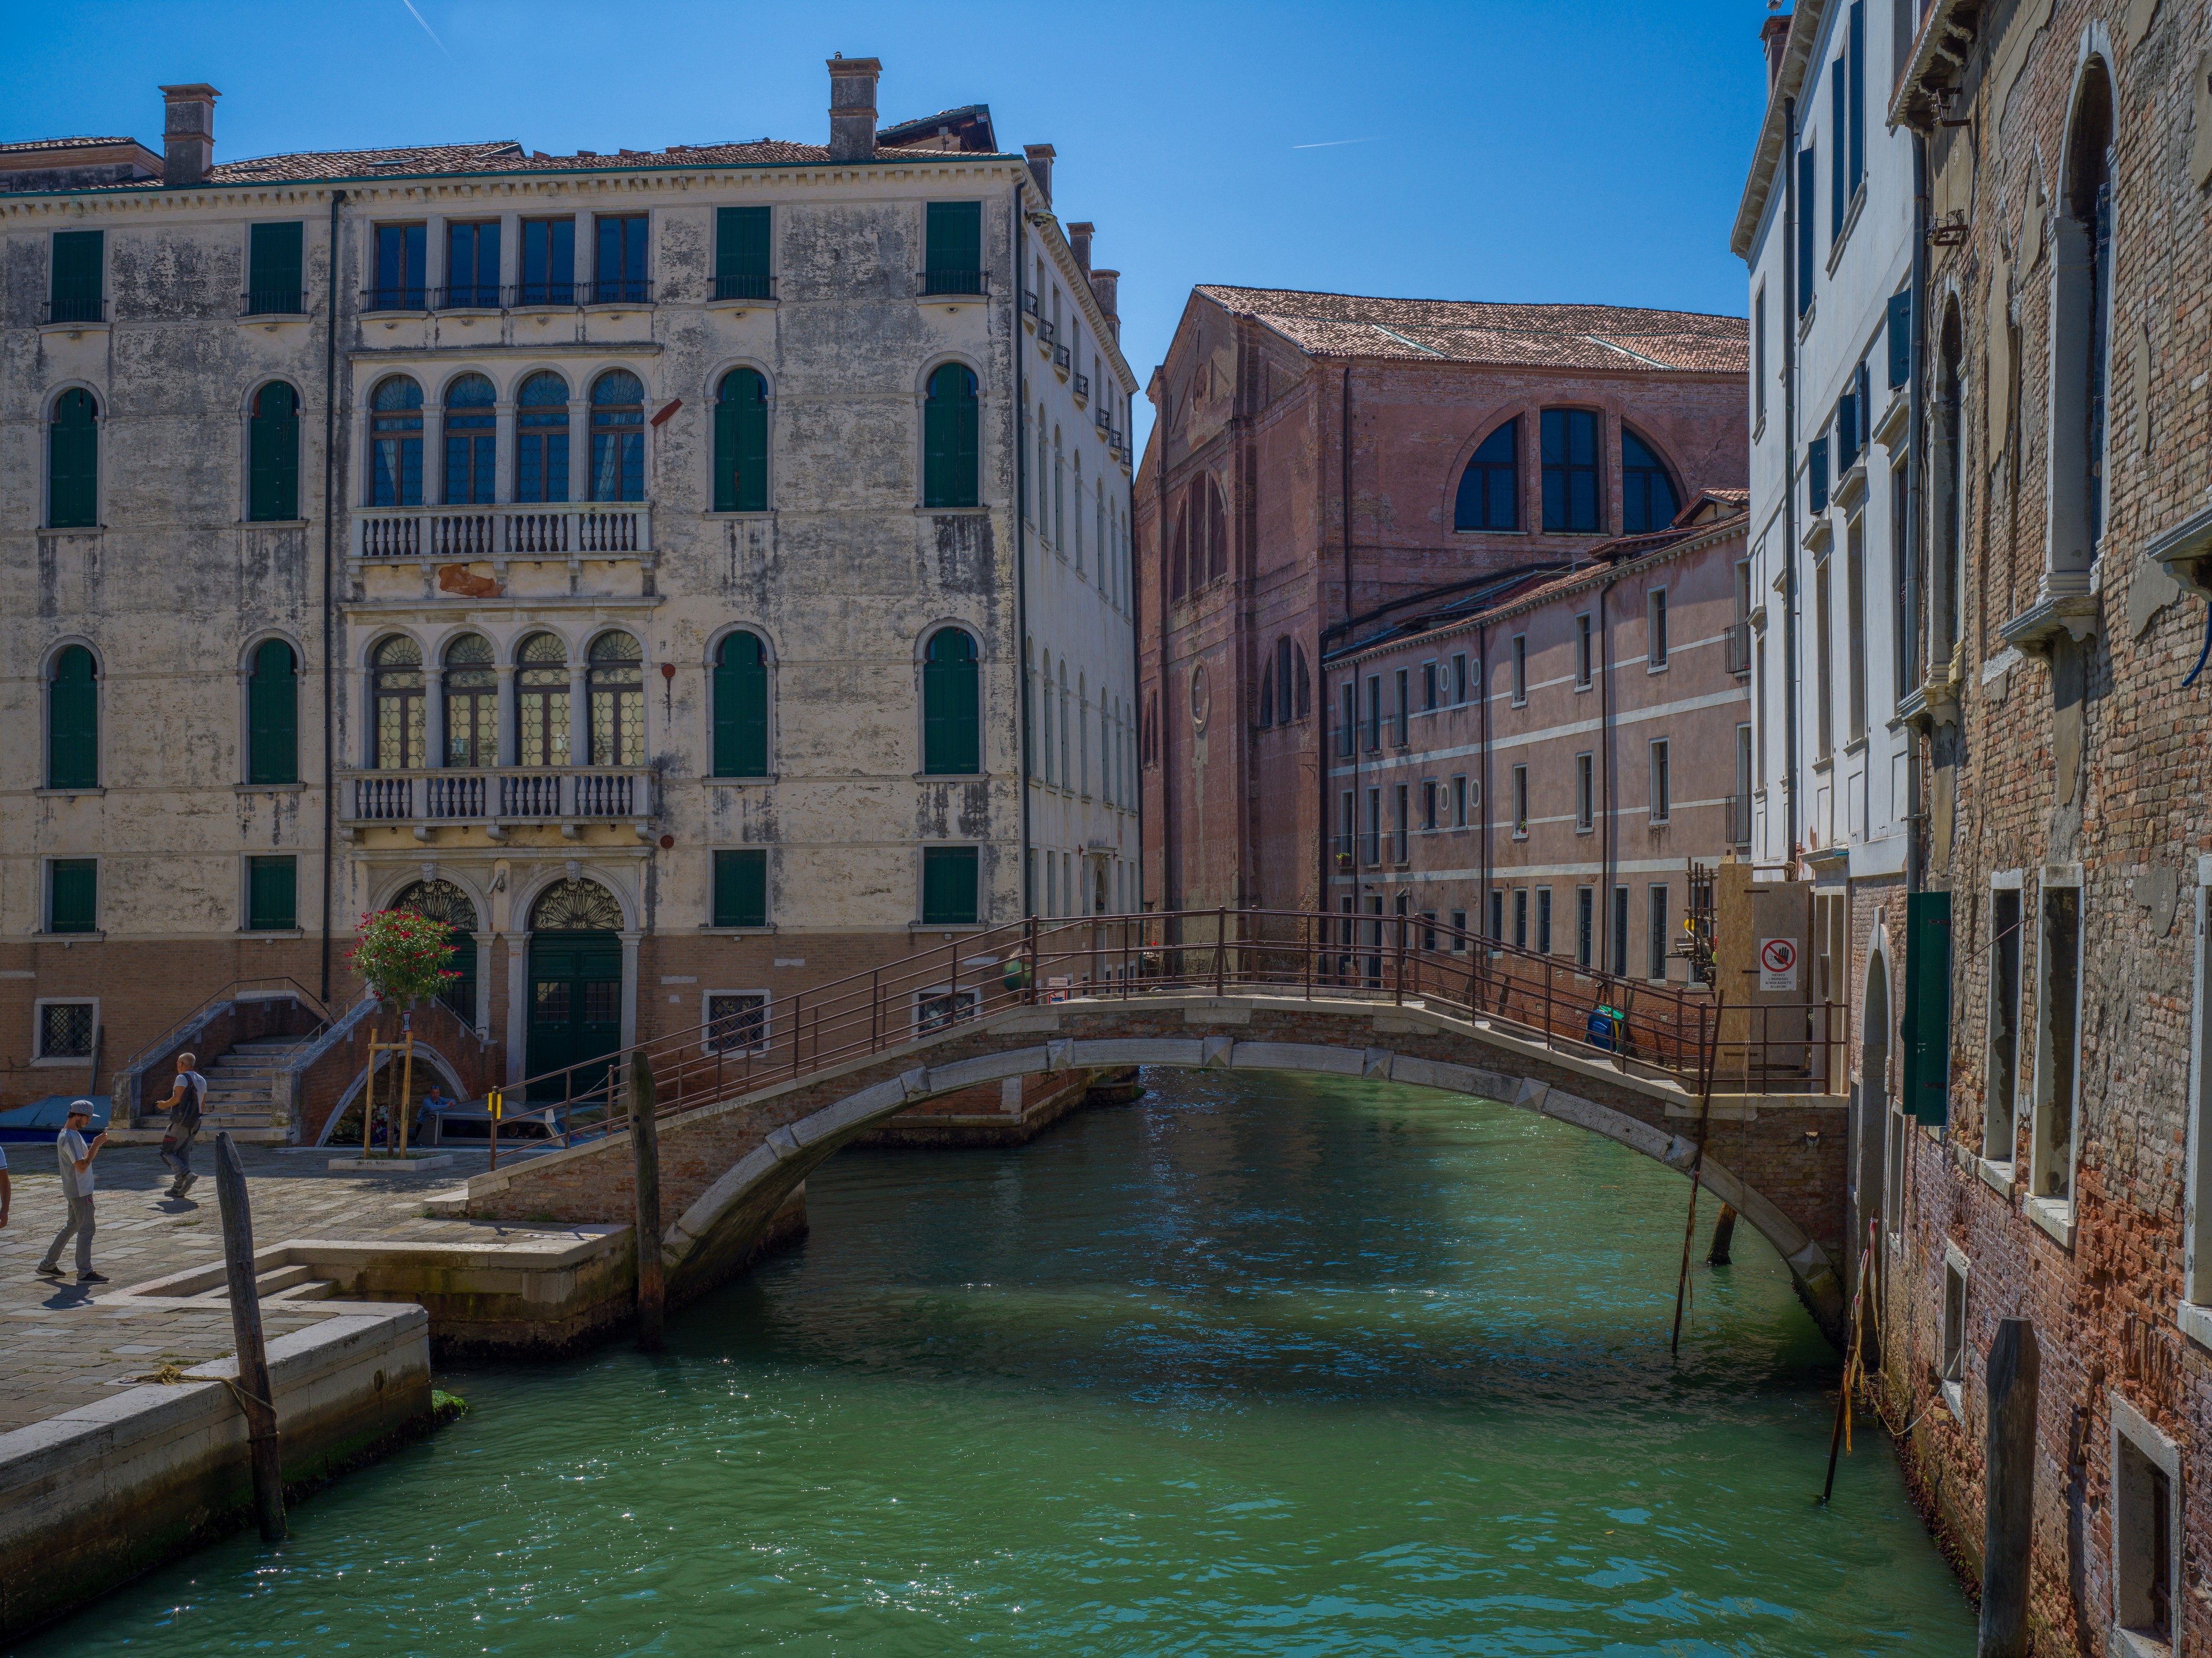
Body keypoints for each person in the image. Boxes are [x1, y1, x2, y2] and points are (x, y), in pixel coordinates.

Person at [37, 1101, 107, 1284]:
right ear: (78, 1115)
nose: (89, 1122)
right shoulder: (70, 1137)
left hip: (75, 1189)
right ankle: (85, 1272)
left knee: (72, 1226)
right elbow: (82, 1166)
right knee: (87, 1230)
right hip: (80, 1191)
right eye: (88, 1118)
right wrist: (96, 1145)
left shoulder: (70, 1135)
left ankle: (47, 1264)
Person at [150, 1052, 207, 1198]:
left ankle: (186, 1175)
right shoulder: (201, 1080)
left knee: (167, 1152)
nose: (177, 1066)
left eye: (177, 1063)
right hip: (196, 1121)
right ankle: (178, 1187)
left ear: (181, 1064)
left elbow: (177, 1099)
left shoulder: (182, 1078)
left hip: (181, 1122)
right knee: (183, 1153)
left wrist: (164, 1105)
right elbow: (203, 1104)